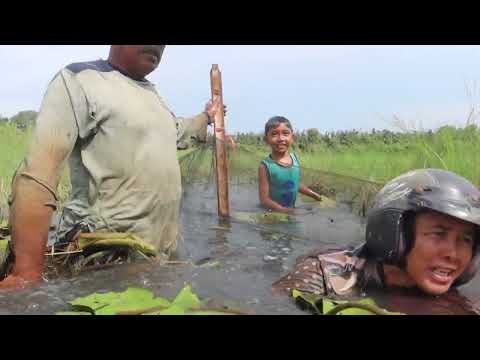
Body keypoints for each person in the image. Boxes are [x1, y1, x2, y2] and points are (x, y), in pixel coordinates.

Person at [1, 45, 225, 288]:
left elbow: (178, 132)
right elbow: (38, 176)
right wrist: (26, 273)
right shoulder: (80, 80)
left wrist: (207, 117)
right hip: (102, 257)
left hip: (156, 257)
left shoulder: (153, 95)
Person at [272, 169, 480, 312]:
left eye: (466, 239)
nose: (452, 253)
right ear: (394, 234)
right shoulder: (320, 278)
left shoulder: (457, 303)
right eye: (438, 234)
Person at [258, 116, 322, 214]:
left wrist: (314, 195)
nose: (281, 139)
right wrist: (283, 210)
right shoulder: (265, 166)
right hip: (272, 213)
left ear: (292, 137)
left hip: (290, 210)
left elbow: (295, 184)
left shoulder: (295, 158)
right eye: (274, 134)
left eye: (285, 133)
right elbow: (264, 199)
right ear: (266, 139)